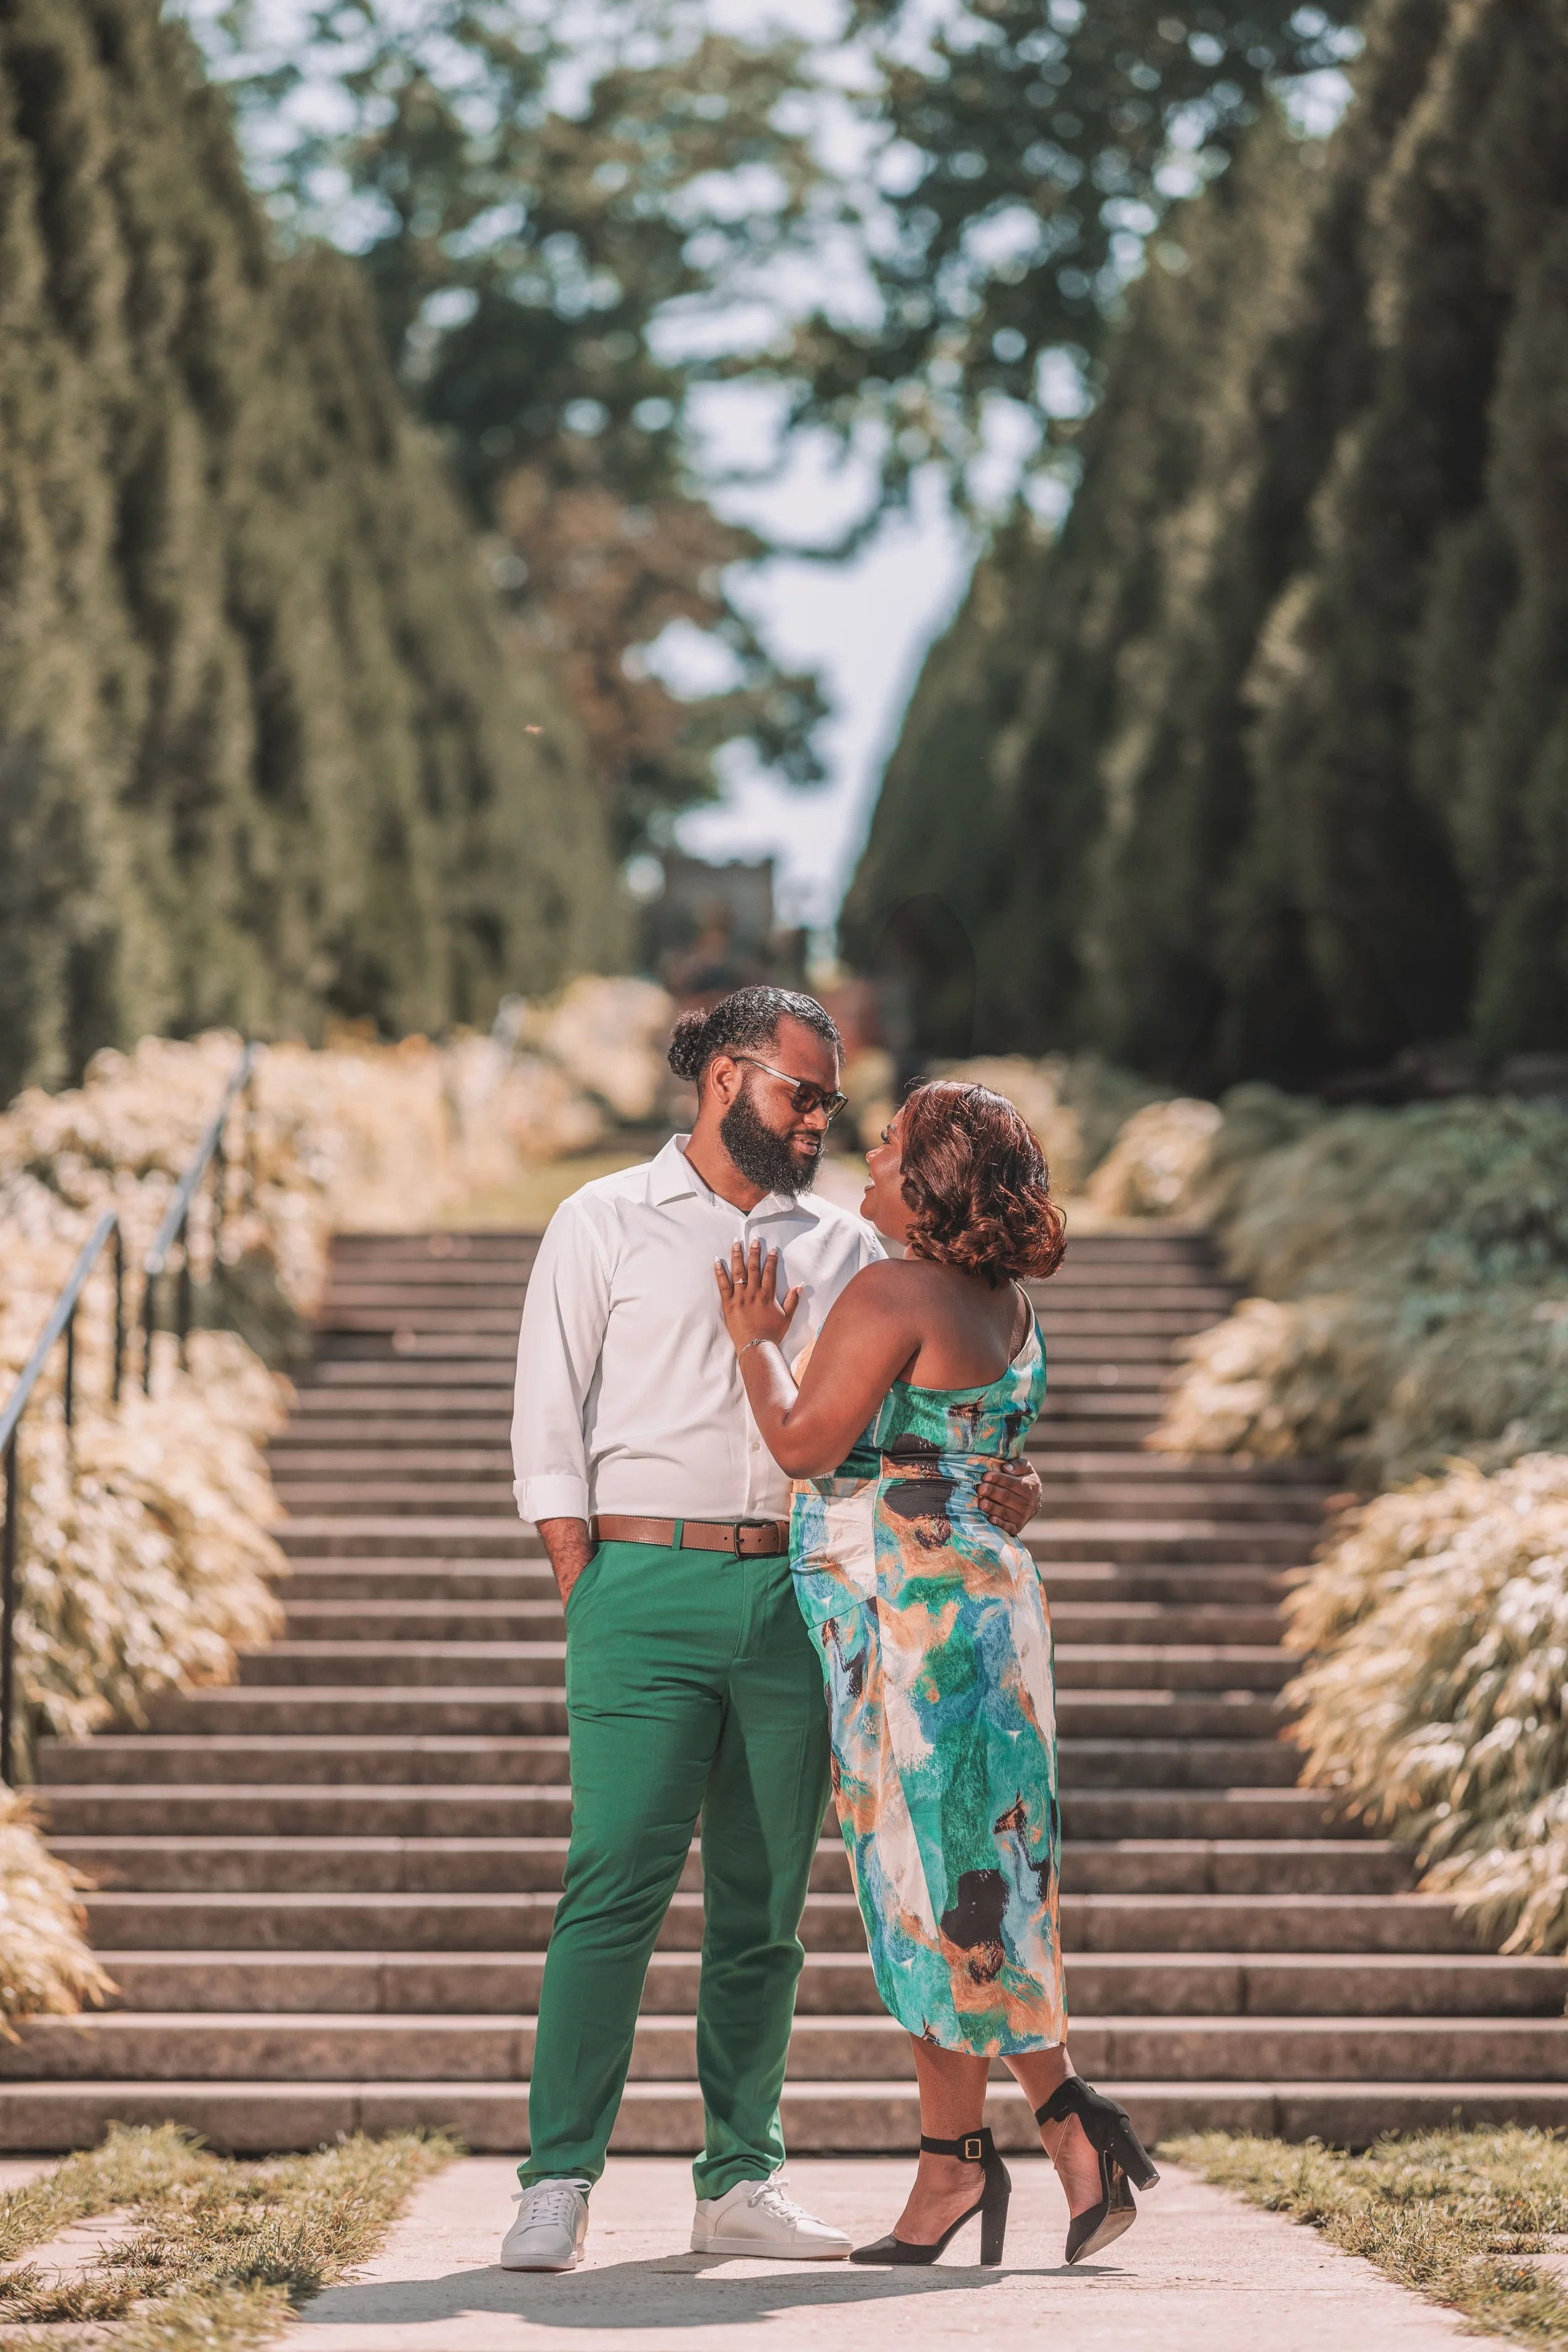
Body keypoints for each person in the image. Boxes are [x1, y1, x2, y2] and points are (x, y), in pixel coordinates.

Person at [503, 989, 1042, 2272]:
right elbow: (545, 1417)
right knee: (613, 1878)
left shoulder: (857, 1242)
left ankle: (738, 2174)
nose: (820, 1119)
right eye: (802, 1092)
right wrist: (586, 1572)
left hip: (808, 1601)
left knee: (763, 1905)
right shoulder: (602, 1219)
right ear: (728, 1078)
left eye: (831, 1101)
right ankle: (557, 2177)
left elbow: (944, 1393)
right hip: (640, 1581)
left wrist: (1005, 1485)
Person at [714, 1079, 1162, 2269]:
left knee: (928, 1892)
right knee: (981, 1876)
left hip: (913, 1631)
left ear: (932, 1180)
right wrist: (1020, 1491)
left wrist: (757, 1344)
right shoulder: (1003, 1303)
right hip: (992, 1622)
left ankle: (1022, 2145)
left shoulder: (893, 1287)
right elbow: (984, 1462)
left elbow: (807, 1444)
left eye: (893, 1143)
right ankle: (1005, 2152)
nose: (870, 1149)